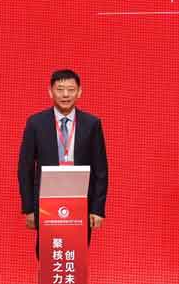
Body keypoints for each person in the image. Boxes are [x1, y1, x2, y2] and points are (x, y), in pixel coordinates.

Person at [17, 69, 108, 241]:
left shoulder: (92, 124)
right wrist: (29, 208)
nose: (65, 94)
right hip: (45, 201)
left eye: (71, 89)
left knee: (77, 251)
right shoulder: (36, 123)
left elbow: (101, 170)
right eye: (60, 89)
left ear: (79, 92)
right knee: (48, 251)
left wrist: (97, 209)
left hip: (81, 201)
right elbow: (25, 168)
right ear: (50, 92)